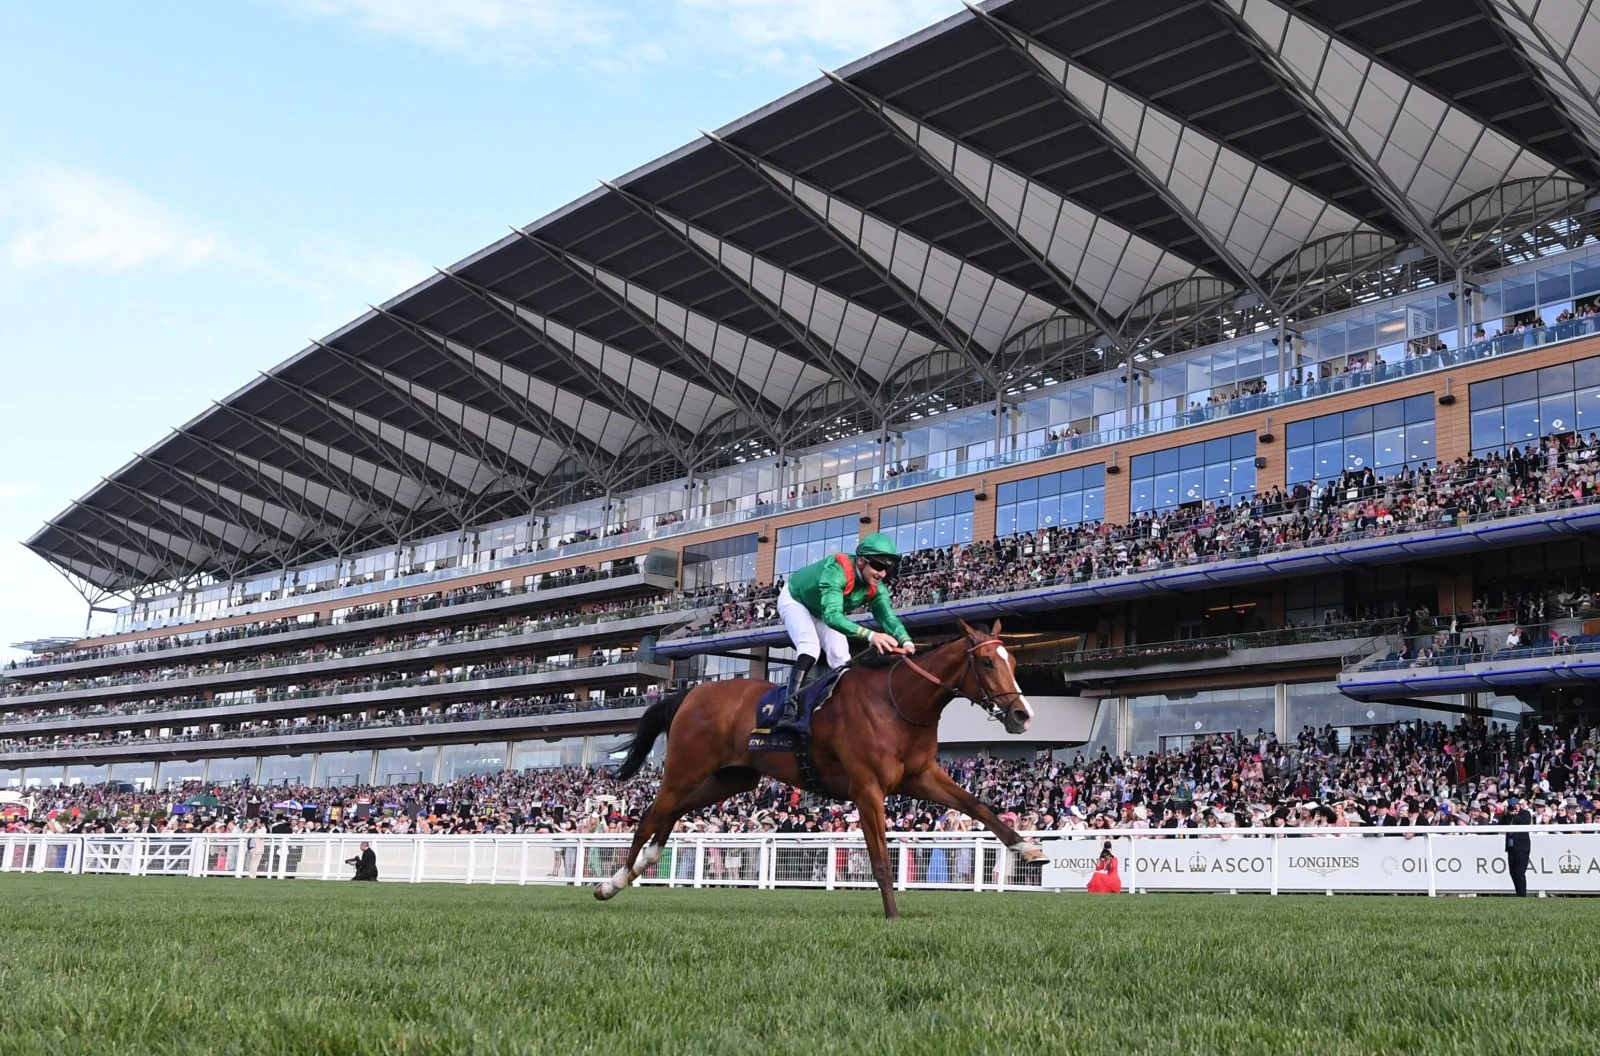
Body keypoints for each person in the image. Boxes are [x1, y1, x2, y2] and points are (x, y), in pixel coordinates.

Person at [774, 532, 914, 726]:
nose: (882, 573)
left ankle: (846, 706)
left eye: (886, 568)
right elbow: (832, 616)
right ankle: (789, 709)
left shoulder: (876, 587)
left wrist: (905, 640)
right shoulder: (837, 570)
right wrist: (871, 636)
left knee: (841, 657)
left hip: (821, 609)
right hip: (796, 600)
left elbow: (886, 616)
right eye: (878, 566)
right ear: (861, 562)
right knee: (810, 648)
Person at [1503, 794, 1532, 897]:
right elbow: (1500, 824)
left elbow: (1526, 823)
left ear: (1519, 805)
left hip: (1522, 847)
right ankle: (1518, 893)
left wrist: (1515, 815)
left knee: (1519, 872)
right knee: (1512, 872)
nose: (1514, 807)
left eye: (1515, 805)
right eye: (1511, 806)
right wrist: (1506, 814)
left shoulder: (1525, 813)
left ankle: (1522, 894)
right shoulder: (1507, 816)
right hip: (1511, 847)